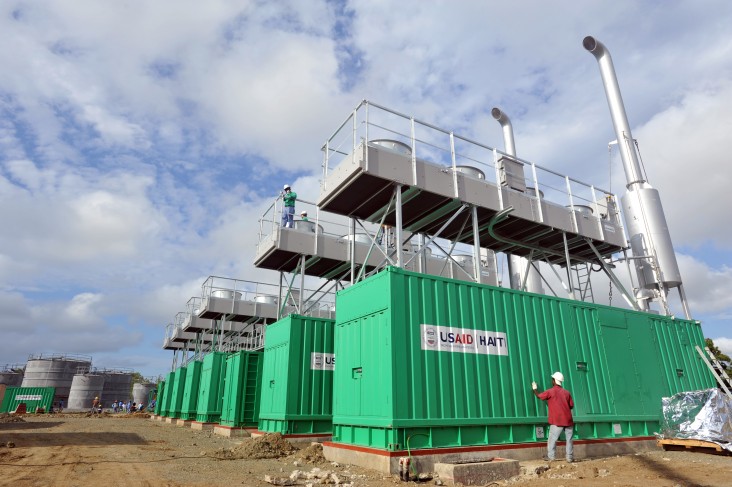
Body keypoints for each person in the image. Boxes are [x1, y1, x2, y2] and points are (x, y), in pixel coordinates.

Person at [532, 371, 574, 463]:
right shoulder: (567, 393)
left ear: (554, 381)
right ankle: (569, 458)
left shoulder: (550, 391)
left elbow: (539, 396)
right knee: (569, 439)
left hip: (557, 421)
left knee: (552, 439)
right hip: (568, 420)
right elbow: (571, 405)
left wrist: (534, 389)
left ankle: (551, 457)